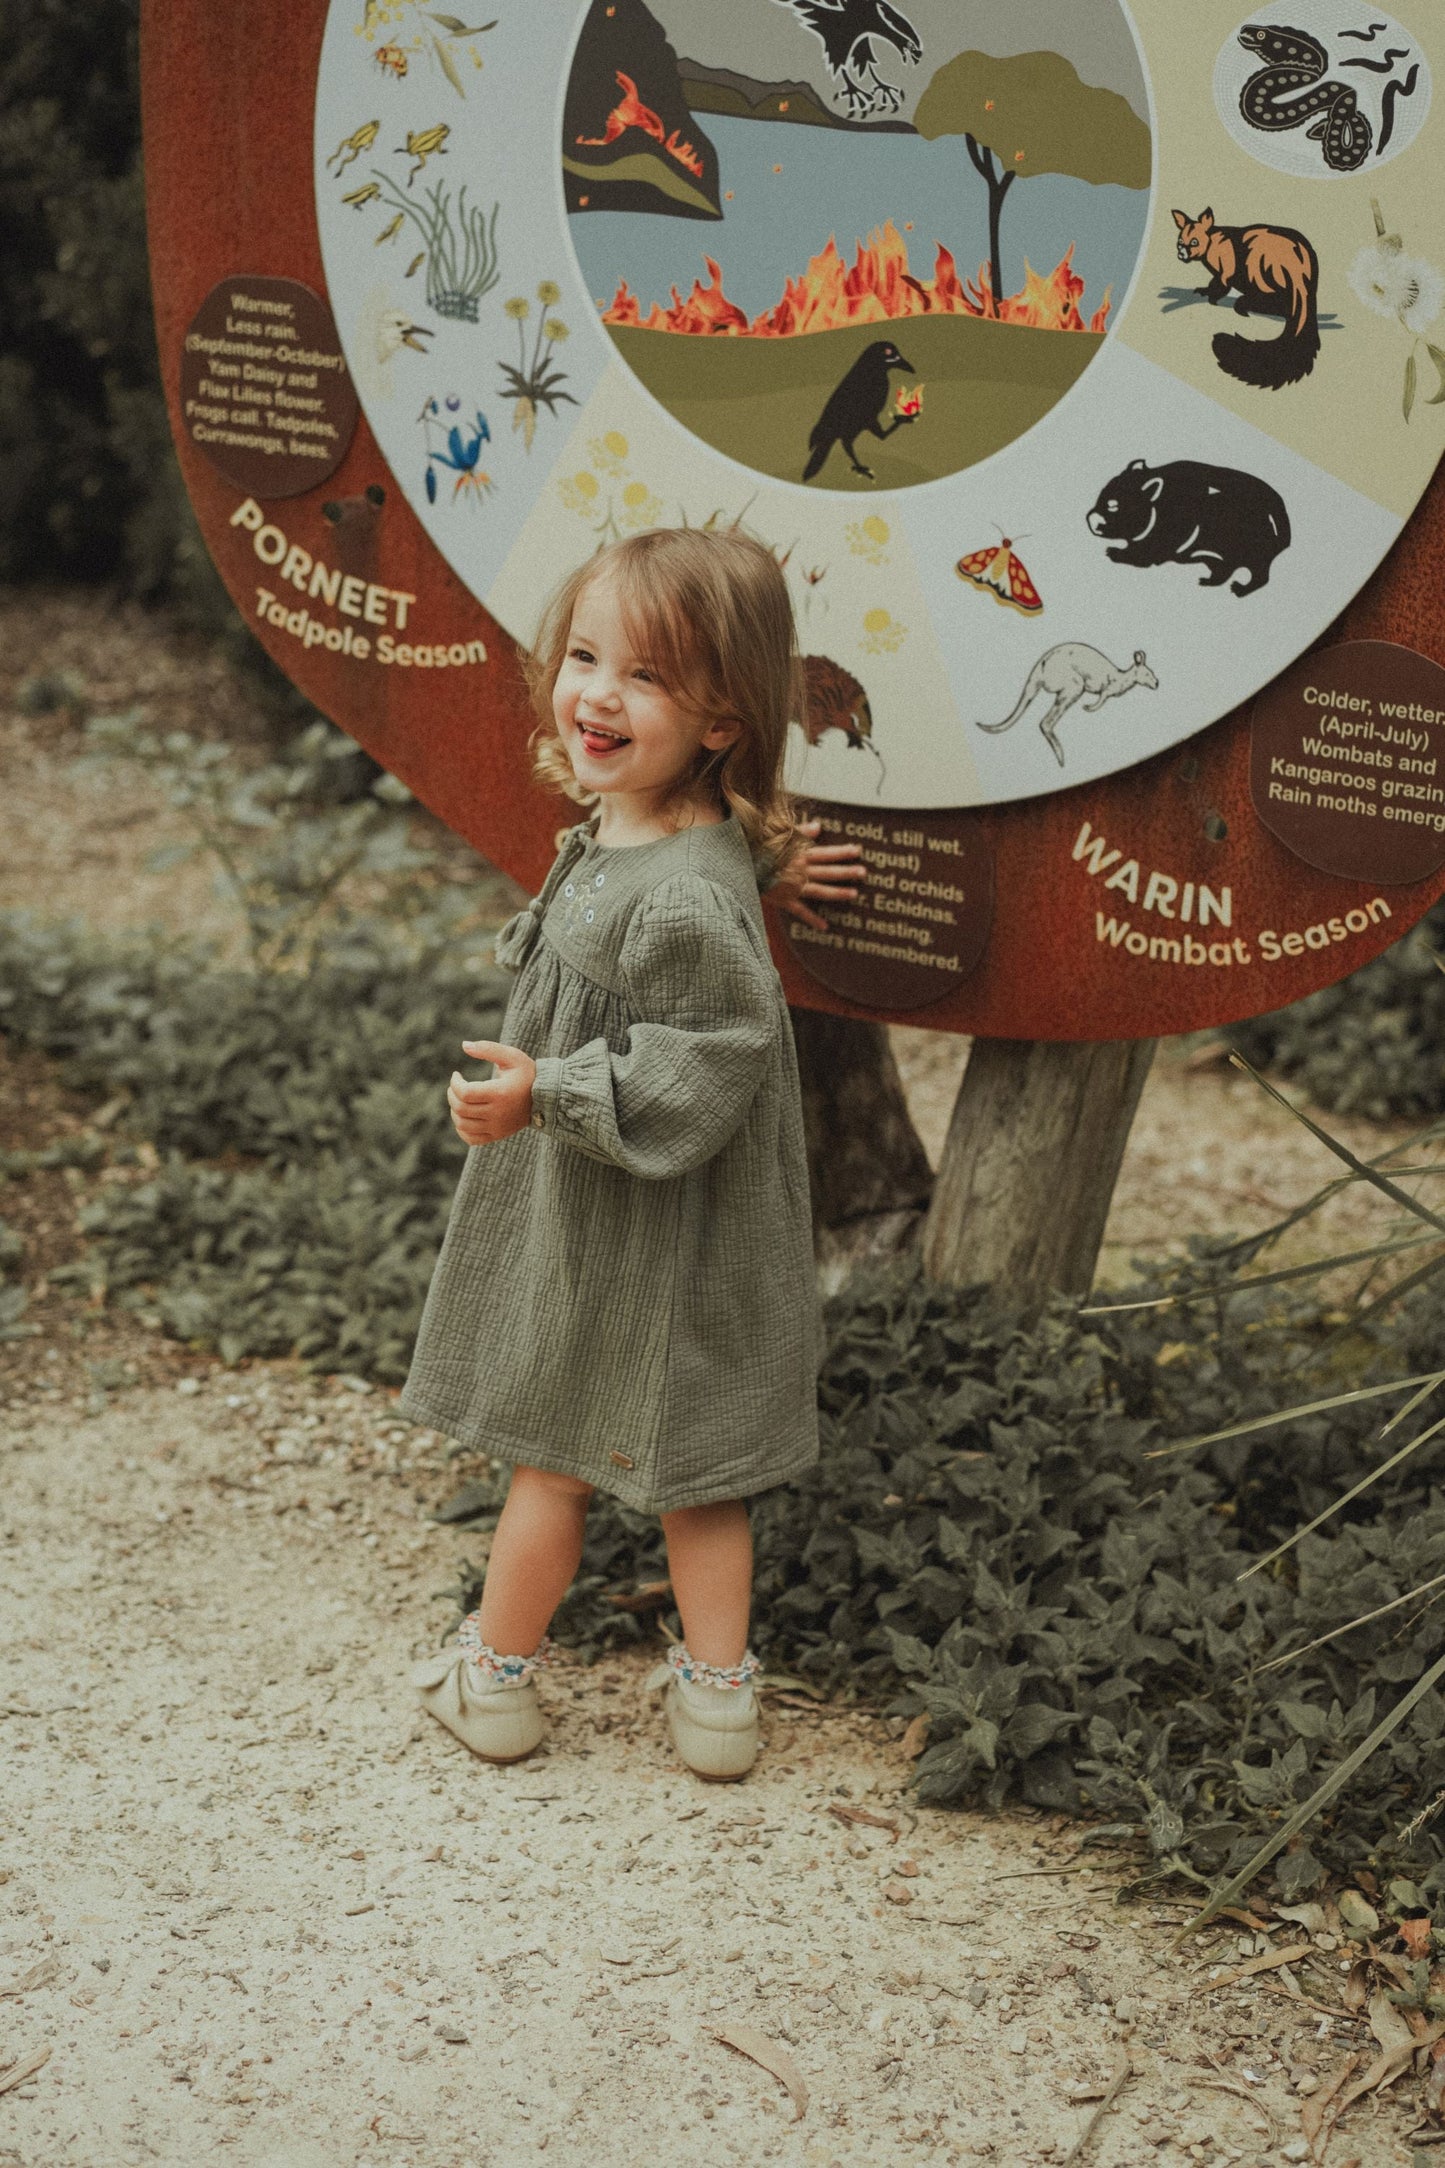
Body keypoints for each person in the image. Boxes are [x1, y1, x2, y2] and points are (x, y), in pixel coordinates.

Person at [401, 524, 867, 1780]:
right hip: (643, 1195)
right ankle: (716, 1701)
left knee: (550, 1450)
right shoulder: (671, 832)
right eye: (588, 654)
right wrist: (771, 862)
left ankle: (493, 1678)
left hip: (631, 1204)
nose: (598, 692)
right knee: (695, 1466)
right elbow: (709, 874)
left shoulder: (679, 889)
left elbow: (718, 1046)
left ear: (720, 720)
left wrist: (546, 1087)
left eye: (646, 677)